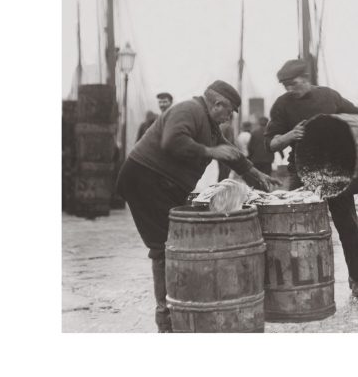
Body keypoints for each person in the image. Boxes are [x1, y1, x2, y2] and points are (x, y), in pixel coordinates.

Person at [116, 80, 280, 332]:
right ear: (217, 104)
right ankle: (167, 317)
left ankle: (180, 306)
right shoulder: (188, 110)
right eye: (229, 111)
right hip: (145, 180)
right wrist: (209, 152)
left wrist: (258, 176)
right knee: (164, 247)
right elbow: (172, 141)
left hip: (165, 185)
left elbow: (232, 153)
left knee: (178, 243)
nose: (230, 117)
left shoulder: (211, 125)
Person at [265, 59, 358, 298]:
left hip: (335, 170)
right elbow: (270, 143)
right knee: (291, 225)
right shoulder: (282, 105)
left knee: (348, 225)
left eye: (293, 83)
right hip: (301, 171)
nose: (290, 89)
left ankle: (357, 277)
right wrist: (290, 135)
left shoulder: (330, 96)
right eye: (286, 86)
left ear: (306, 76)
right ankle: (293, 278)